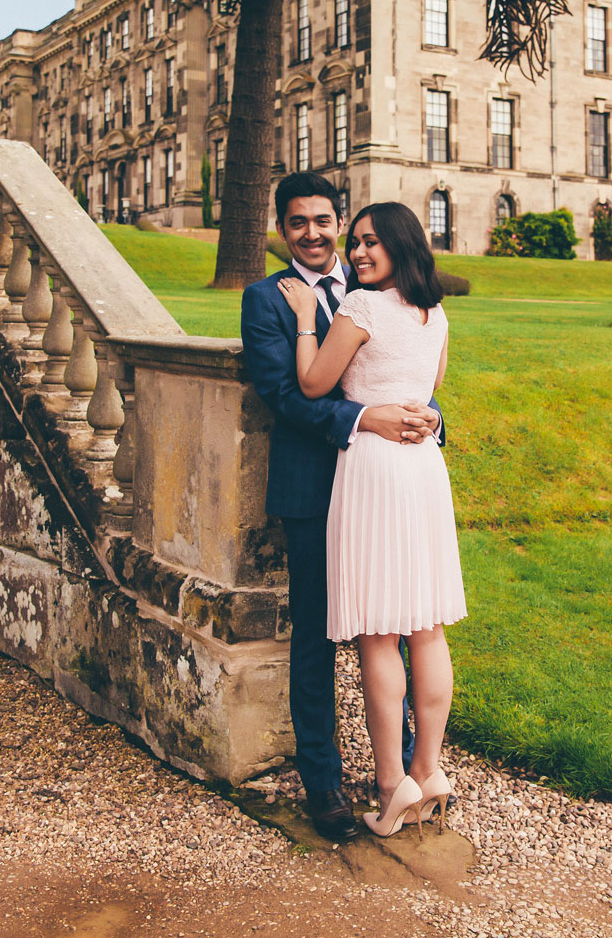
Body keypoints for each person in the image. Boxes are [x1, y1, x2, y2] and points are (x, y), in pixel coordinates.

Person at [240, 174, 443, 842]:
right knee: (321, 636)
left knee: (393, 625)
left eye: (326, 220)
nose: (316, 233)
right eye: (298, 222)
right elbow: (287, 397)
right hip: (314, 485)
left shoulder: (385, 295)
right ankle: (323, 778)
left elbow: (411, 378)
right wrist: (368, 417)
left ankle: (400, 771)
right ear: (282, 227)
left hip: (382, 483)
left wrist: (425, 415)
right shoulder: (267, 299)